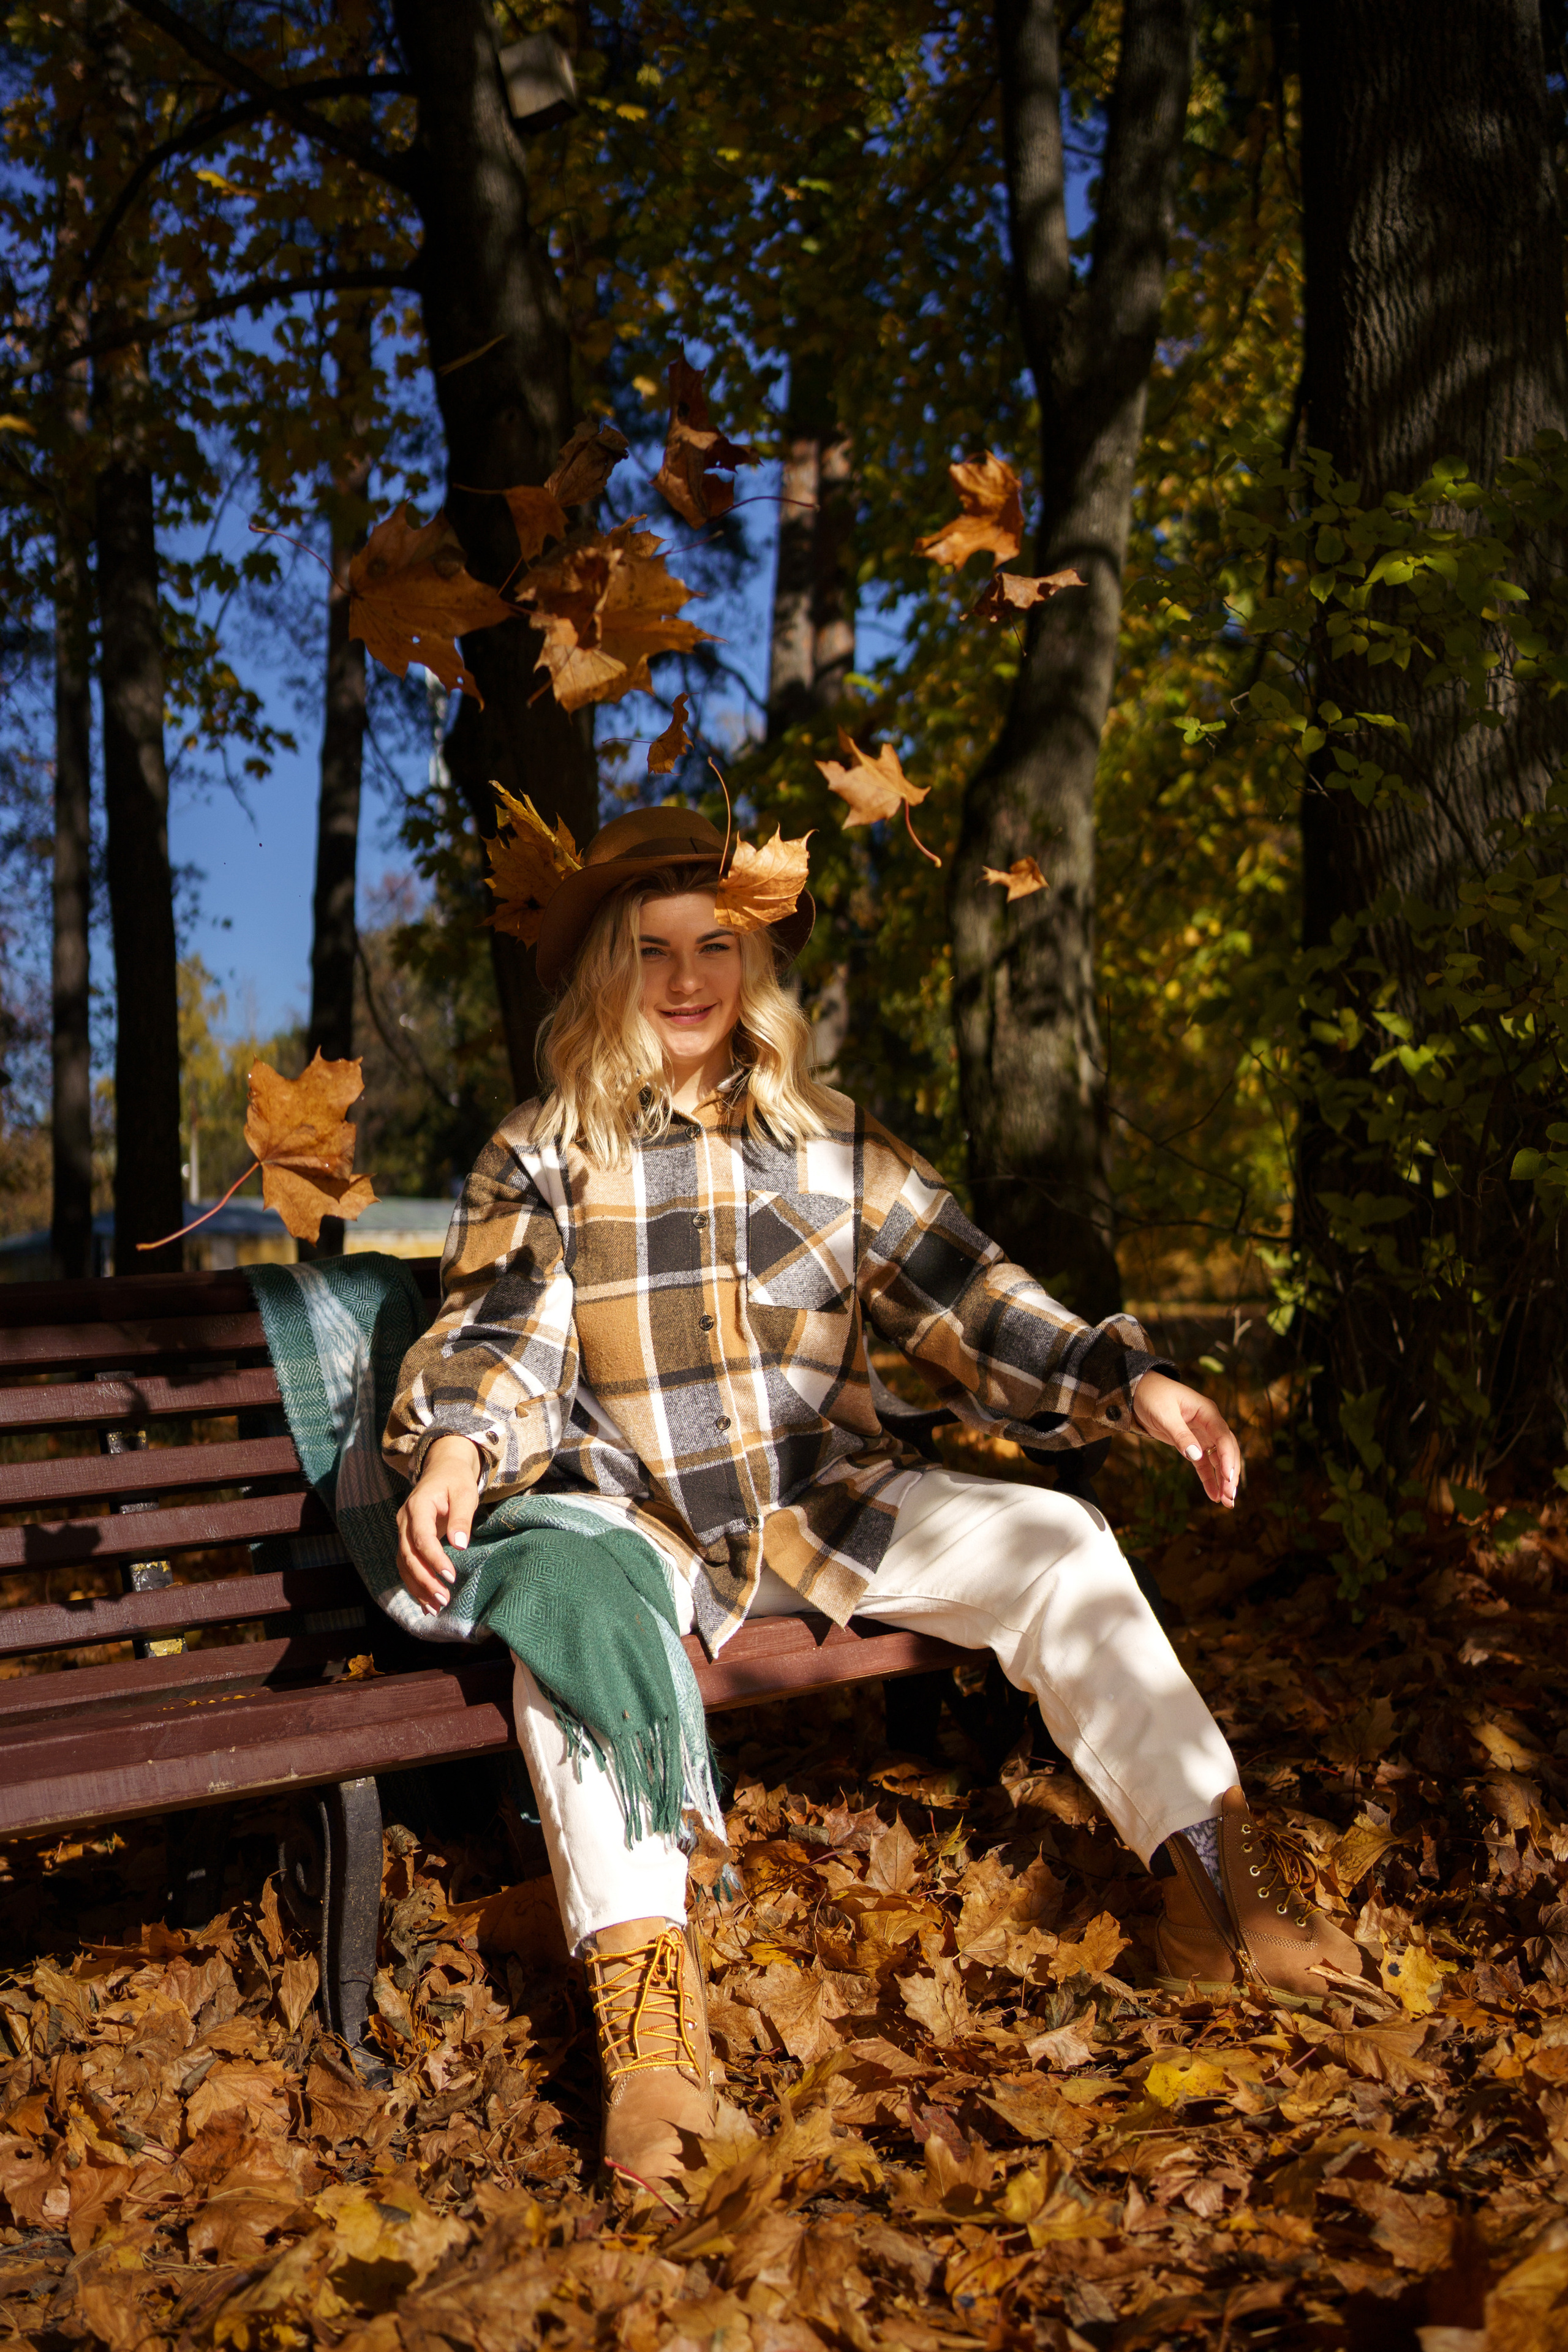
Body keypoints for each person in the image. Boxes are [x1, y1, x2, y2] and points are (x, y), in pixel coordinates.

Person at [383, 804, 1361, 2207]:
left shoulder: (834, 1145)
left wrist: (1129, 1379)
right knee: (572, 1640)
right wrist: (459, 1454)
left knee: (1057, 1540)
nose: (683, 977)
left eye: (712, 945)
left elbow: (973, 1299)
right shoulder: (537, 1153)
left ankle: (1219, 1885)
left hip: (820, 1504)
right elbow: (497, 1340)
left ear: (750, 967)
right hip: (634, 1519)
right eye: (648, 949)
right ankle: (652, 2037)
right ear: (601, 973)